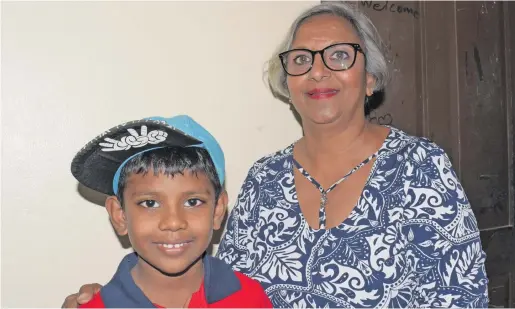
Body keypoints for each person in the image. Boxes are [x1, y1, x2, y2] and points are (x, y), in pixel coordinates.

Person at [63, 2, 489, 308]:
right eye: (301, 59)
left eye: (339, 55)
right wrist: (104, 297)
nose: (318, 70)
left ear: (371, 77)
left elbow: (463, 296)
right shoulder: (264, 179)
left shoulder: (420, 167)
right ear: (287, 82)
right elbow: (212, 285)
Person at [69, 115, 273, 308]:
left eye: (193, 202)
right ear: (119, 215)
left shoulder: (250, 298)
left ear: (218, 210)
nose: (173, 222)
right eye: (150, 203)